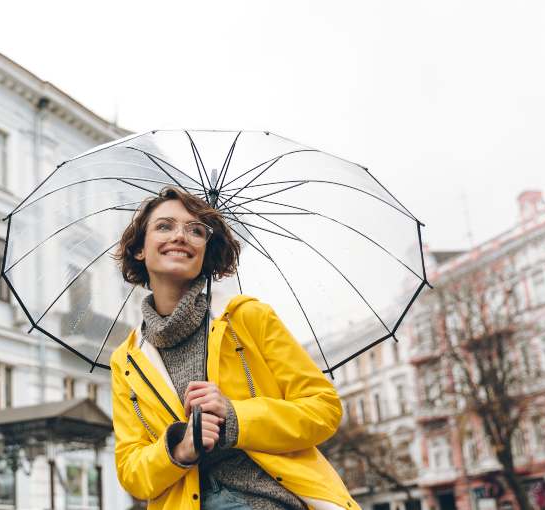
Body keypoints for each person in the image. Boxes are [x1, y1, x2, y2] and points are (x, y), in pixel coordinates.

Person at [110, 187, 359, 509]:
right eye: (164, 226)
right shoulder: (127, 360)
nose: (181, 236)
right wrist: (180, 448)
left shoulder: (248, 318)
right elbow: (132, 472)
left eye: (196, 230)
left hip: (268, 499)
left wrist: (234, 415)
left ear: (205, 252)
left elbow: (323, 409)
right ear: (140, 249)